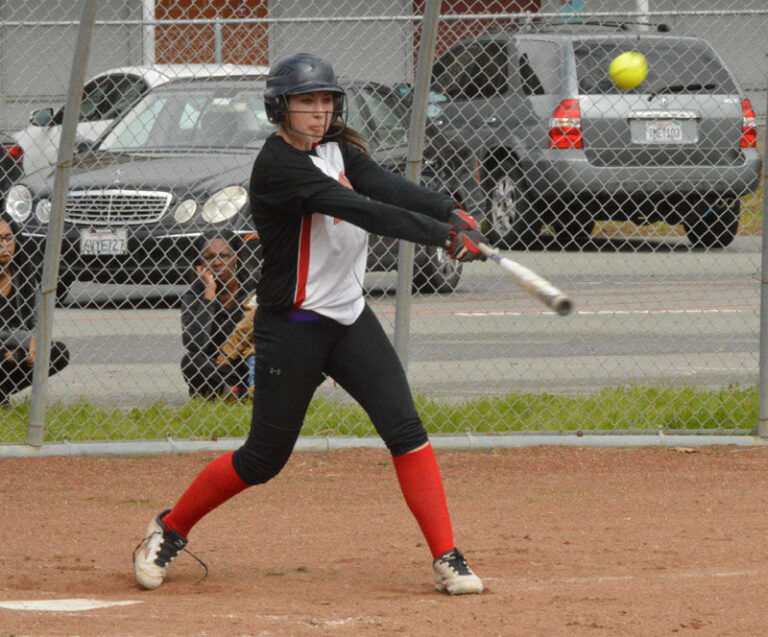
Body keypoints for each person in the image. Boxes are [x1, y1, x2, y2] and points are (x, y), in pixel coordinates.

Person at [133, 53, 488, 595]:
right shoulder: (278, 167)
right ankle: (169, 528)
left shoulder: (338, 149)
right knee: (263, 459)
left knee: (406, 432)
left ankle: (447, 556)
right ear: (280, 107)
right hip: (294, 326)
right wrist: (441, 238)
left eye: (326, 102)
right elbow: (358, 208)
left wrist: (448, 211)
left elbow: (384, 185)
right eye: (306, 103)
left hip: (348, 318)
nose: (319, 113)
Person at [0, 214, 69, 405]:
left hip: (16, 348)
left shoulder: (25, 276)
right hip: (8, 345)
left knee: (57, 352)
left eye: (8, 237)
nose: (4, 244)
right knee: (5, 353)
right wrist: (25, 339)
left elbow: (38, 320)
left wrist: (35, 343)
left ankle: (1, 390)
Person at [180, 230, 254, 399]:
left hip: (253, 361)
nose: (217, 262)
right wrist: (209, 295)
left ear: (235, 258)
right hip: (219, 368)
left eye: (224, 256)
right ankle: (236, 393)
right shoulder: (194, 295)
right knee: (192, 362)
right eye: (209, 257)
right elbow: (195, 345)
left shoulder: (253, 287)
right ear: (200, 263)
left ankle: (234, 393)